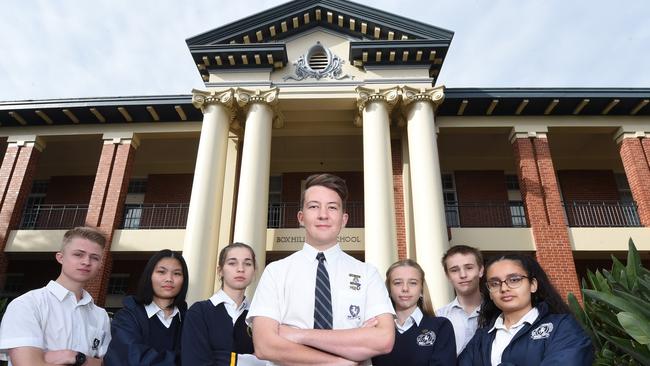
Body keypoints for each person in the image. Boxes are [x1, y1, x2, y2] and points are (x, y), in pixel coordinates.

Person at [247, 173, 395, 365]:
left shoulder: (367, 274)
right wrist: (341, 360)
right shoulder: (275, 272)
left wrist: (298, 335)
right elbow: (265, 345)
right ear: (301, 217)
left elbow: (384, 340)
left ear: (344, 219)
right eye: (314, 206)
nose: (323, 214)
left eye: (332, 207)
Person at [0, 226, 111, 366]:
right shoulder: (28, 304)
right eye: (78, 254)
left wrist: (73, 357)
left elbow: (106, 363)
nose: (86, 262)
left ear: (100, 264)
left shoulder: (101, 315)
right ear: (60, 257)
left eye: (94, 257)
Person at [458, 253, 594, 366]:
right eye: (494, 283)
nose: (504, 288)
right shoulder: (481, 338)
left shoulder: (562, 326)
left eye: (514, 280)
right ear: (490, 293)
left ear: (533, 285)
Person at [182, 242, 263, 365]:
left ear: (254, 271)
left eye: (247, 263)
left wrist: (221, 357)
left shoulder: (259, 316)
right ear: (220, 271)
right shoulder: (199, 312)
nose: (240, 269)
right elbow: (194, 361)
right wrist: (249, 360)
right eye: (232, 263)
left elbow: (271, 360)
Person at [104, 249, 189, 366]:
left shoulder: (190, 320)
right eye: (161, 272)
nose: (169, 279)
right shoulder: (127, 317)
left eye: (177, 273)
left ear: (184, 280)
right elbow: (133, 359)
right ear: (149, 276)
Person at [372, 259, 456, 366]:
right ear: (389, 290)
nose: (405, 288)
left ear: (421, 290)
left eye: (413, 283)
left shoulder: (441, 326)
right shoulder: (375, 328)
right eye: (397, 283)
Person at [436, 244, 484, 354]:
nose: (463, 275)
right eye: (454, 270)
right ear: (447, 276)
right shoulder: (439, 317)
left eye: (469, 268)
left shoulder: (499, 312)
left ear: (481, 270)